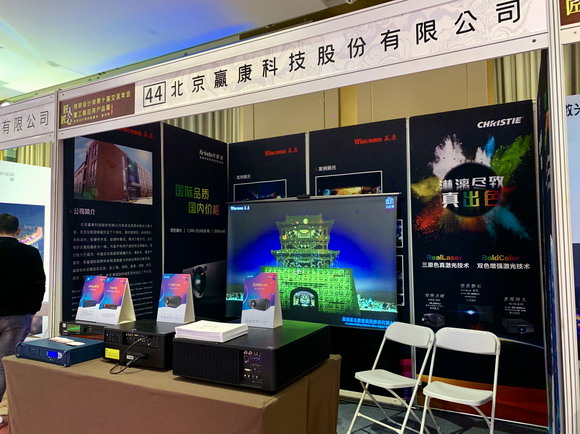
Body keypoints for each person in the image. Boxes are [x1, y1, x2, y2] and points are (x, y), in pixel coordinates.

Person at [0, 214, 46, 425]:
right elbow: (38, 284)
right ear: (18, 232)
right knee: (3, 365)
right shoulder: (30, 253)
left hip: (17, 315)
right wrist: (32, 309)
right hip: (17, 316)